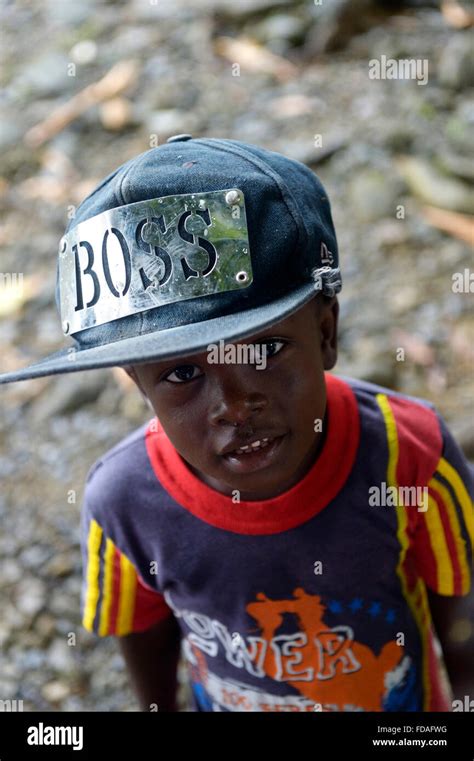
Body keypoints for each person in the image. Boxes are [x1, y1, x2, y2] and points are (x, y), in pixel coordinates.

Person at [1, 136, 472, 712]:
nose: (234, 404)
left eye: (266, 347)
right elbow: (145, 636)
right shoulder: (123, 503)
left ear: (326, 334)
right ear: (135, 381)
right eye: (180, 374)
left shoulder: (412, 456)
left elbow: (462, 608)